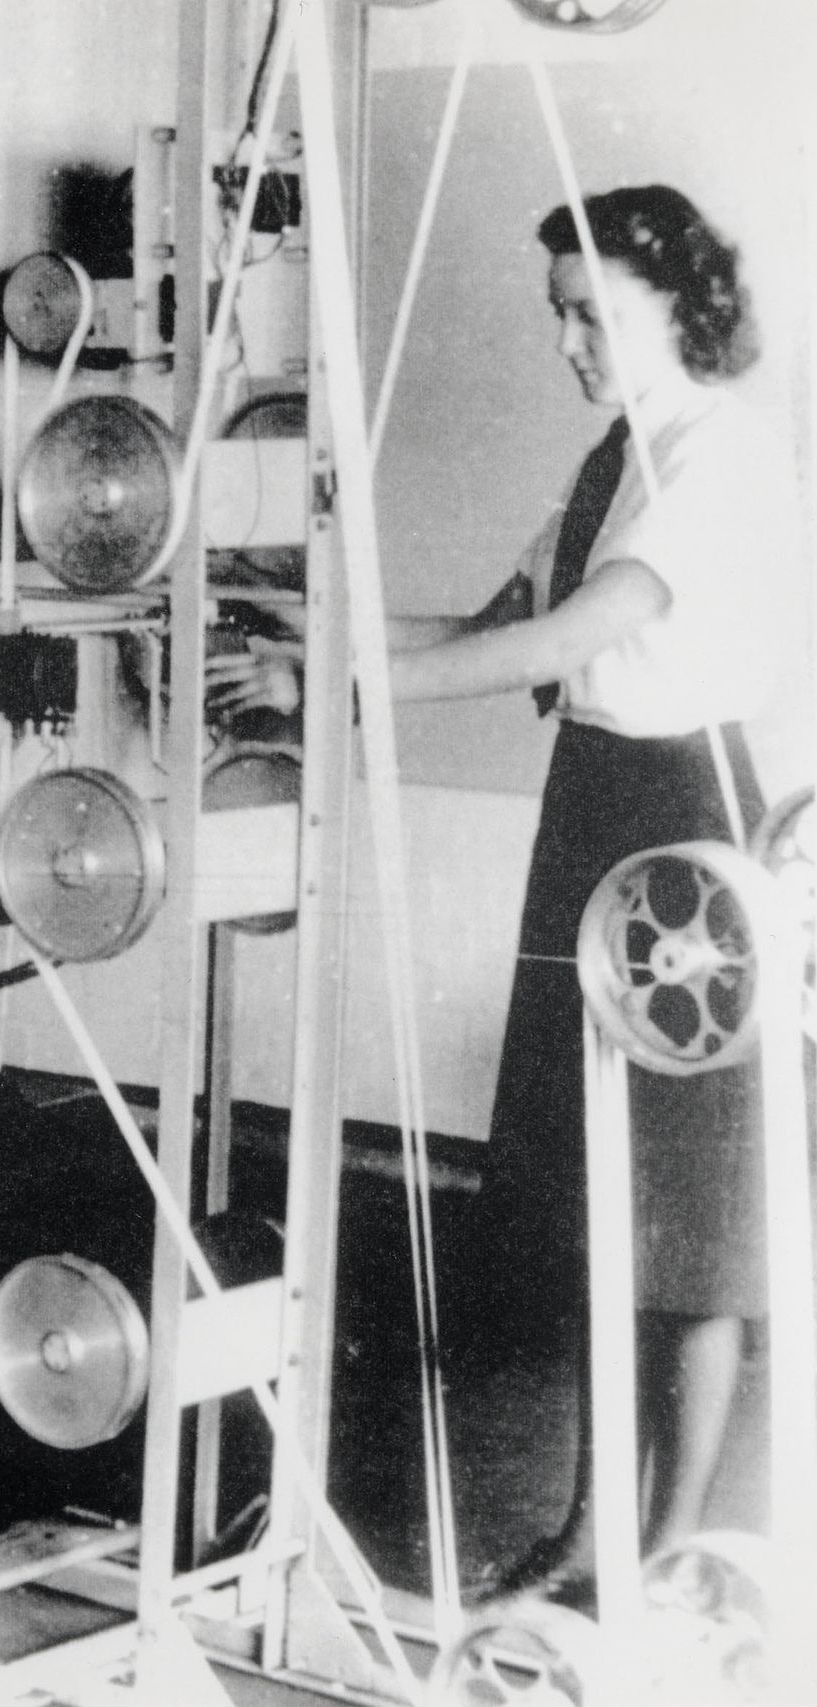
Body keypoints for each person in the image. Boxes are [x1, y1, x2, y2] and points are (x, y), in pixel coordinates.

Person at [211, 185, 790, 1582]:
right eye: (558, 319)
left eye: (592, 315)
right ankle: (593, 1530)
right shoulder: (618, 454)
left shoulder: (722, 455)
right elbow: (490, 627)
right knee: (599, 1190)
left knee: (691, 1212)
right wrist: (315, 625)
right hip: (590, 813)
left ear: (675, 300)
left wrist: (336, 684)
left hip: (684, 834)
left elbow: (574, 638)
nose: (571, 344)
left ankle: (666, 1547)